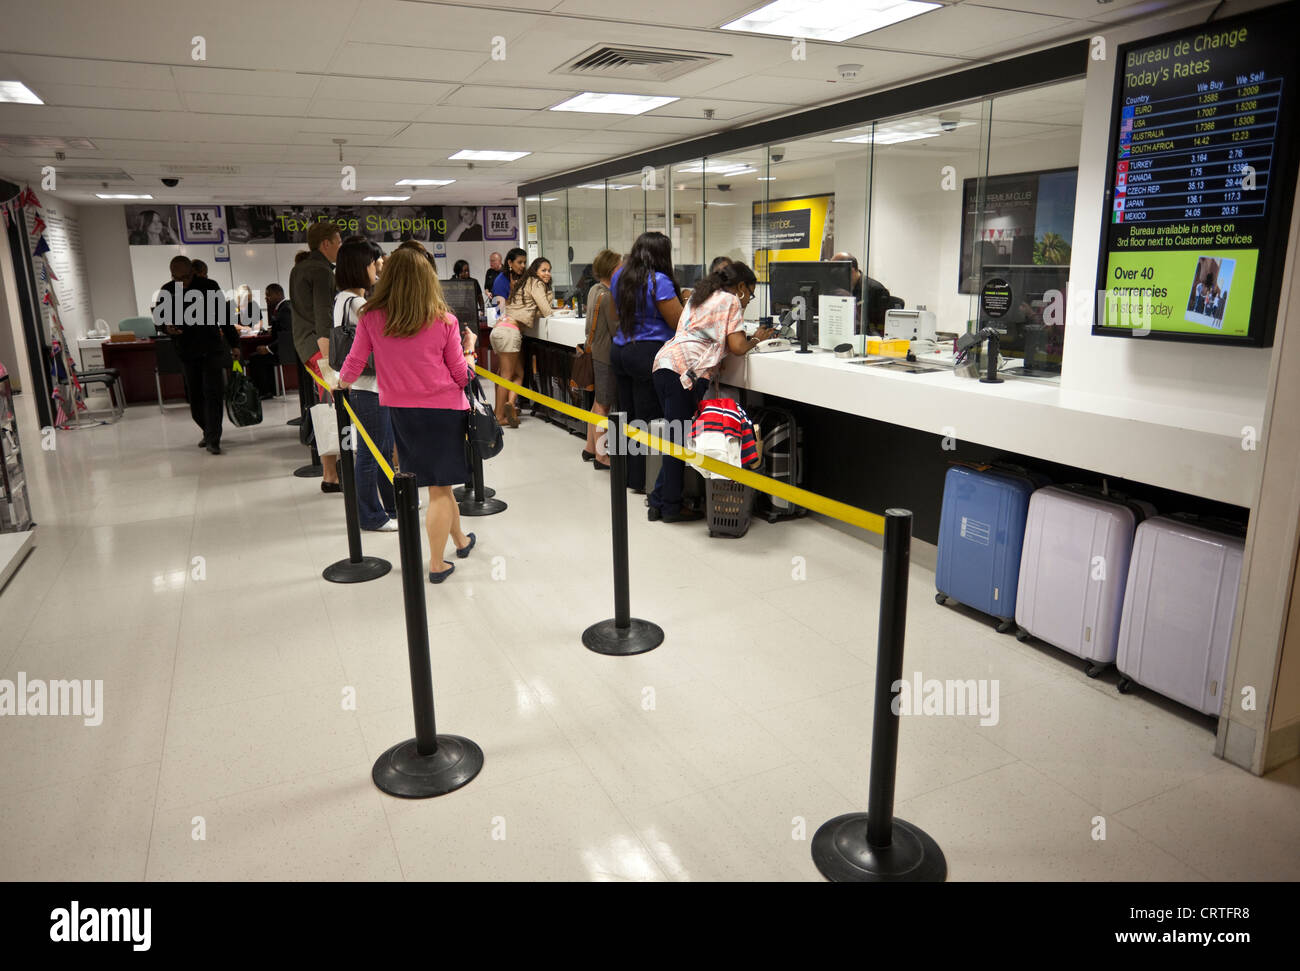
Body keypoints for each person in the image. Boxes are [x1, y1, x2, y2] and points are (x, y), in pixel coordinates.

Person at [337, 248, 475, 584]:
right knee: (440, 489)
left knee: (440, 483)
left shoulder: (371, 317)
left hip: (401, 412)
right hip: (444, 410)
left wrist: (339, 386)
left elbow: (354, 363)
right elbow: (460, 374)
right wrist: (470, 352)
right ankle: (437, 563)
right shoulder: (444, 320)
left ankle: (460, 539)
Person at [651, 261, 772, 521]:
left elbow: (699, 334)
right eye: (750, 293)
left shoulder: (699, 296)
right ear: (740, 287)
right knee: (677, 443)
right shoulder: (730, 301)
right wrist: (758, 338)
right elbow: (739, 345)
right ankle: (670, 508)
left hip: (664, 364)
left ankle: (658, 502)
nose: (749, 299)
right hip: (685, 375)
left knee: (675, 438)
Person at [331, 239, 397, 532]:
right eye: (374, 264)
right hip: (369, 385)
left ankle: (391, 505)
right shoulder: (358, 304)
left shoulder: (341, 299)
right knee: (372, 452)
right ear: (361, 266)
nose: (377, 270)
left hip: (361, 385)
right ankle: (371, 515)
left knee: (379, 449)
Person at [610, 231, 682, 495]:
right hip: (648, 353)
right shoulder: (659, 281)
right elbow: (678, 323)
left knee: (626, 416)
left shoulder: (620, 276)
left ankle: (627, 475)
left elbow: (614, 313)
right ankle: (644, 481)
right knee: (648, 418)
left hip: (620, 348)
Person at [151, 255, 238, 454]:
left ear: (193, 272)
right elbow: (159, 319)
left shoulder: (209, 286)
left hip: (211, 349)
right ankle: (208, 431)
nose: (182, 282)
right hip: (187, 351)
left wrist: (234, 343)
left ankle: (214, 439)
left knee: (213, 394)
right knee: (195, 397)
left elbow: (224, 316)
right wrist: (167, 328)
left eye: (186, 277)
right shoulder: (168, 290)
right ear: (172, 276)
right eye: (177, 278)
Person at [290, 220, 343, 492]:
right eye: (338, 241)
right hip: (320, 349)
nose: (340, 245)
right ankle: (332, 474)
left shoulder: (299, 268)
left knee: (326, 408)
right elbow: (324, 316)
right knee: (333, 407)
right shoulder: (322, 271)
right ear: (326, 244)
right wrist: (329, 359)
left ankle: (330, 473)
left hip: (305, 345)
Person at [494, 256, 556, 427]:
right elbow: (546, 311)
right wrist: (549, 294)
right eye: (543, 270)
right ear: (535, 271)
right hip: (510, 332)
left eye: (549, 270)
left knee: (515, 374)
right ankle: (499, 416)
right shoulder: (535, 283)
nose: (547, 274)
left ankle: (510, 405)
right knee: (506, 376)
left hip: (500, 328)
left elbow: (529, 311)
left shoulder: (523, 283)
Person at [582, 249, 621, 470]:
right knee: (604, 406)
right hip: (607, 355)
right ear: (612, 269)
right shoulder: (609, 296)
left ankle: (589, 447)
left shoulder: (594, 290)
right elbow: (616, 329)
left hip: (595, 351)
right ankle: (601, 455)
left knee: (598, 402)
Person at [830, 252, 891, 334]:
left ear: (852, 270)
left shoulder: (876, 290)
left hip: (868, 339)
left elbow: (879, 327)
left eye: (838, 274)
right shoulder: (843, 289)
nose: (836, 279)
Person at [249, 283, 291, 398]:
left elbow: (287, 335)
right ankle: (269, 389)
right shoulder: (282, 308)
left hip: (284, 352)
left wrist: (268, 349)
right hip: (279, 349)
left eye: (268, 295)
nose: (266, 298)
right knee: (259, 355)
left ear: (278, 294)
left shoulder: (284, 310)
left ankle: (263, 391)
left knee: (255, 358)